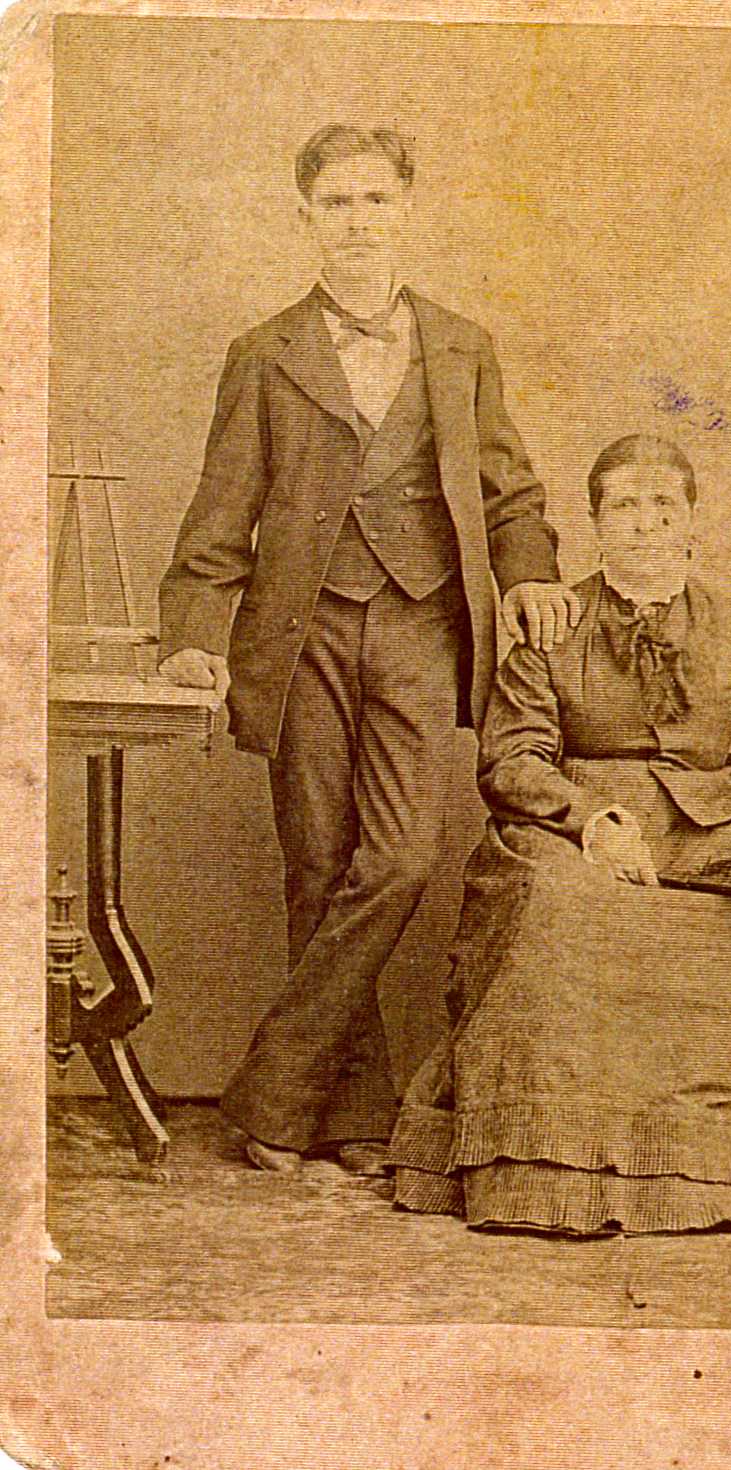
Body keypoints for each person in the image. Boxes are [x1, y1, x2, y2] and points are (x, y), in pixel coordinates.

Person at [157, 124, 579, 1180]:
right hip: (297, 632)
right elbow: (220, 518)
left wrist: (531, 572)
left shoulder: (461, 345)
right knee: (316, 862)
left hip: (419, 626)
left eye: (375, 200)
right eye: (336, 203)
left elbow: (511, 492)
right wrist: (192, 638)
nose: (357, 221)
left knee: (399, 859)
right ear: (304, 217)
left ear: (406, 209)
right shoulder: (264, 355)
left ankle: (272, 1089)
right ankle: (347, 1111)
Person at [390, 433, 731, 1235]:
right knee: (559, 912)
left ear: (690, 519)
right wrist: (591, 820)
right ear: (597, 524)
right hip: (574, 823)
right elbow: (512, 757)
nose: (645, 523)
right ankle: (543, 1168)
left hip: (709, 828)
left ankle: (707, 1161)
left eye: (663, 504)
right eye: (625, 506)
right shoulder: (554, 625)